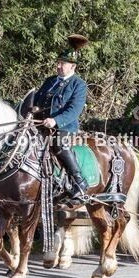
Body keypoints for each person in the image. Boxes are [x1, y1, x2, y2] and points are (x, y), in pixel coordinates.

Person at [34, 35, 90, 201]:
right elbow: (37, 99)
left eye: (62, 63)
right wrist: (34, 108)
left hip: (65, 127)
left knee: (58, 143)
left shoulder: (79, 85)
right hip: (41, 123)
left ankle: (79, 182)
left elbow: (74, 110)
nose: (58, 66)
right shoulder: (49, 81)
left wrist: (55, 121)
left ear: (72, 66)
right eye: (57, 62)